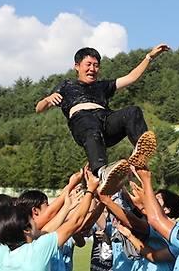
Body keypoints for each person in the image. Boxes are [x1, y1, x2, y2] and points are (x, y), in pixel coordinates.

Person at [35, 45, 170, 194]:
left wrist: (149, 57)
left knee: (133, 111)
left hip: (105, 121)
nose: (92, 69)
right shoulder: (66, 85)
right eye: (88, 64)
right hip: (83, 122)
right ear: (77, 66)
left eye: (96, 65)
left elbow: (131, 78)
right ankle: (102, 172)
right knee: (90, 125)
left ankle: (140, 153)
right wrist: (47, 100)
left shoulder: (103, 86)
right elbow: (39, 108)